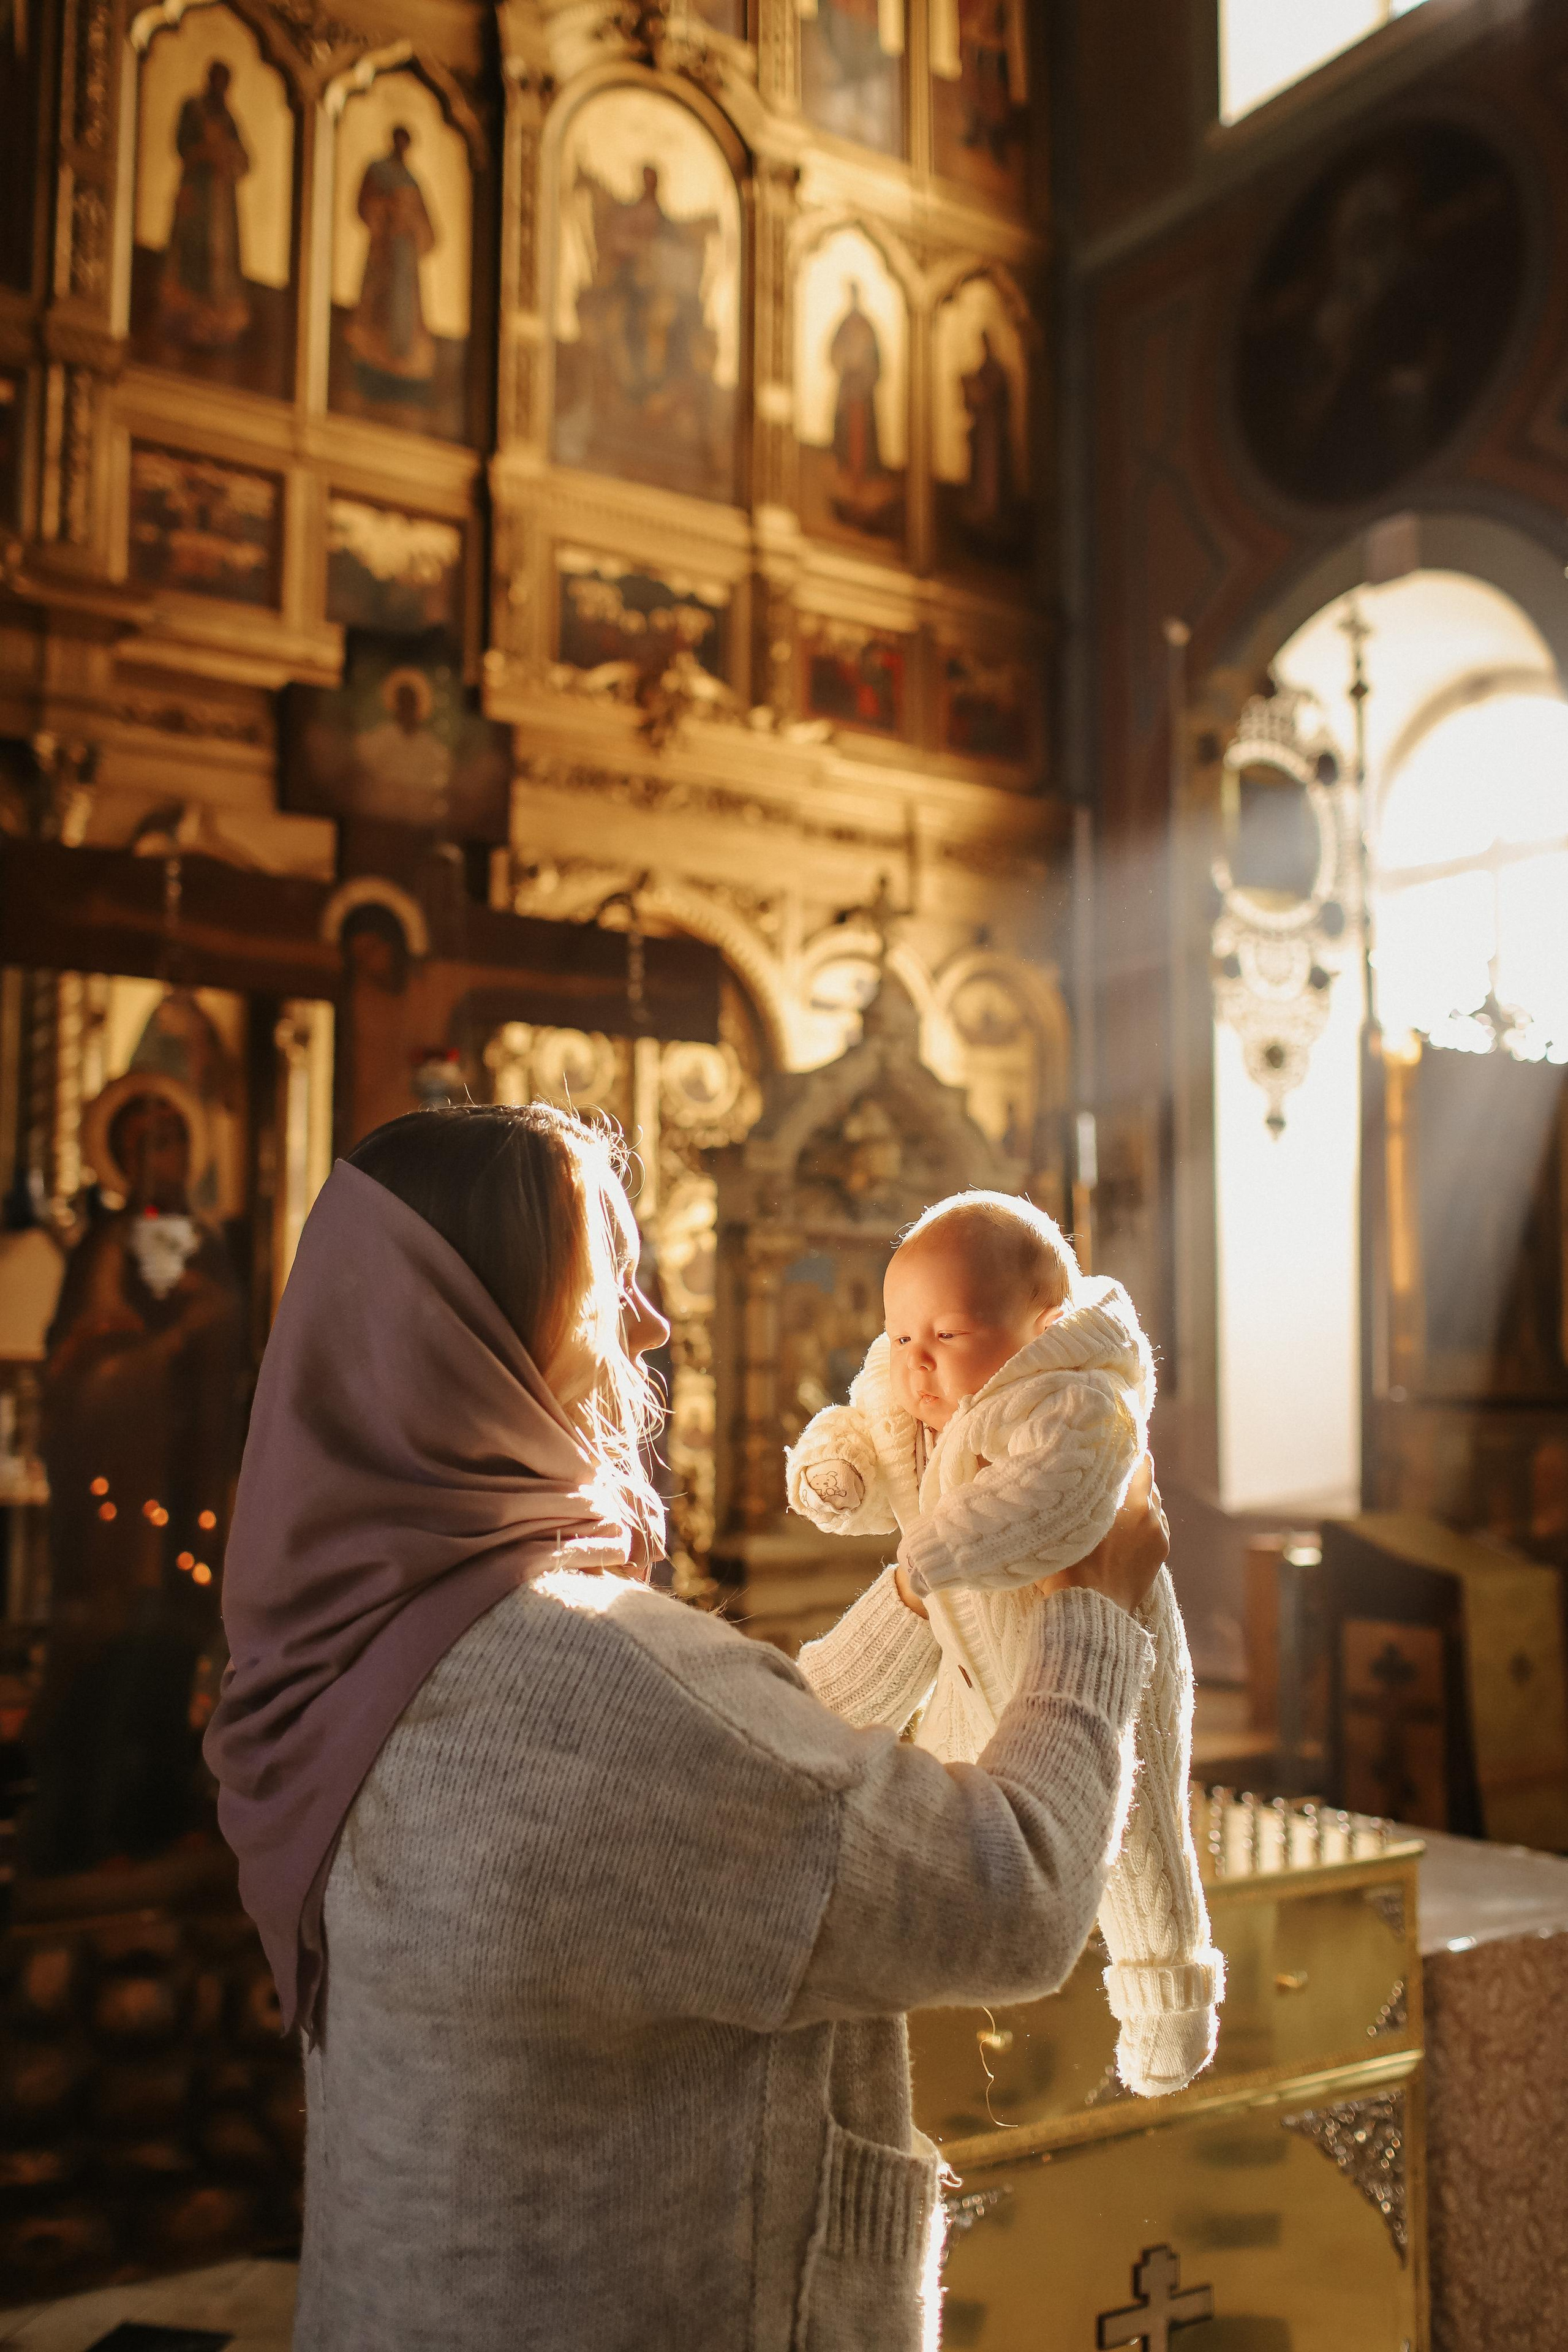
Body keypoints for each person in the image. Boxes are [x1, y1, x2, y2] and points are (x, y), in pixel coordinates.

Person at [204, 1105, 1168, 2352]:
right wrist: (1090, 1615)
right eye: (606, 1286)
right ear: (473, 1336)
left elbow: (755, 1789)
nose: (651, 1326)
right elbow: (1015, 1893)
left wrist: (920, 1589)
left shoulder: (344, 1657)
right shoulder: (588, 1686)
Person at [788, 1190, 1222, 2097]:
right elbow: (863, 1442)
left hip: (1107, 1659)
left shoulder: (1071, 1397)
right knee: (948, 1828)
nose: (918, 1364)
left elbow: (1060, 1493)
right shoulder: (913, 1389)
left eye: (946, 1335)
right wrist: (835, 1476)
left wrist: (939, 1552)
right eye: (901, 1337)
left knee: (1139, 1850)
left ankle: (1166, 2022)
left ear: (1043, 1325)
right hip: (964, 1666)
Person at [158, 59, 251, 349]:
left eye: (225, 82)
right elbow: (181, 146)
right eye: (216, 80)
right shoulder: (193, 108)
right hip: (198, 193)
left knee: (220, 257)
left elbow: (246, 160)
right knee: (190, 251)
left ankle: (217, 325)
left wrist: (229, 155)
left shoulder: (229, 118)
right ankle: (188, 319)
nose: (220, 87)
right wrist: (205, 152)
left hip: (222, 201)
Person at [345, 125, 437, 399]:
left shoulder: (412, 180)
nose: (402, 147)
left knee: (405, 307)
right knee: (377, 302)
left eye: (406, 143)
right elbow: (364, 205)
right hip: (383, 252)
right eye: (399, 141)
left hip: (405, 258)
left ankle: (402, 370)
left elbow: (427, 226)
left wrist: (411, 223)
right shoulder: (376, 170)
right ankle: (371, 366)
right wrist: (386, 210)